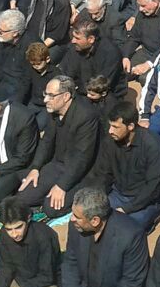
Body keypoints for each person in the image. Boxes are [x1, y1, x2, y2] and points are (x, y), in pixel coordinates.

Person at [17, 73, 100, 213]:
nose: (45, 100)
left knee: (51, 208)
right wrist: (35, 168)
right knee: (23, 198)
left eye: (51, 96)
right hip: (57, 165)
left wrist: (62, 185)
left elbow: (82, 158)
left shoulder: (86, 116)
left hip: (82, 171)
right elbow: (46, 141)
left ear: (66, 96)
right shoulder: (53, 111)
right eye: (45, 94)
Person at [58, 186, 149, 287]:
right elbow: (71, 262)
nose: (72, 219)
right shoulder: (77, 225)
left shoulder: (131, 235)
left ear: (95, 221)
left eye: (77, 217)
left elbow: (131, 284)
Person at [90, 100, 160, 231]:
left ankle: (153, 218)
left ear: (130, 126)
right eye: (110, 126)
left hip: (146, 200)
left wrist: (127, 208)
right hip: (118, 193)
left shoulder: (153, 145)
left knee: (127, 229)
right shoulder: (110, 140)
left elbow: (153, 186)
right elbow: (103, 173)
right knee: (93, 216)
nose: (110, 131)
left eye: (115, 127)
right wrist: (99, 197)